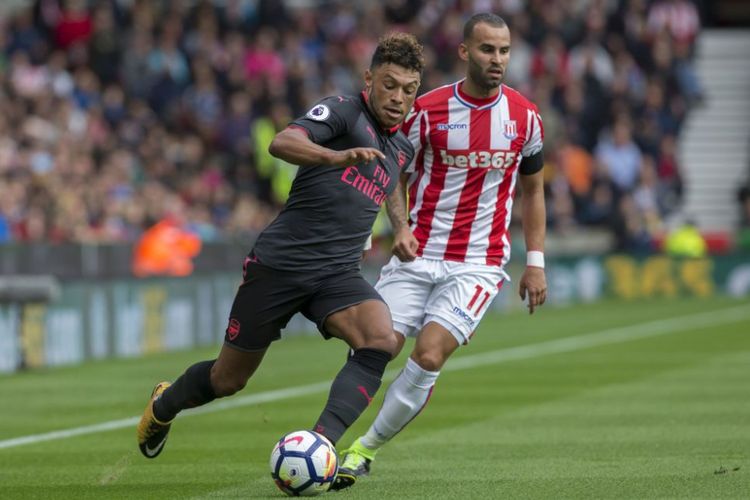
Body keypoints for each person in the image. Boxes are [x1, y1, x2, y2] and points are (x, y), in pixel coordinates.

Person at [136, 32, 424, 459]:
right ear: (369, 78)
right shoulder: (344, 112)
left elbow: (390, 184)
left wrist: (400, 228)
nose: (398, 97)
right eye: (389, 84)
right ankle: (164, 404)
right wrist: (332, 157)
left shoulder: (399, 146)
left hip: (336, 275)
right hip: (282, 264)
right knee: (228, 380)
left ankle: (320, 445)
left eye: (409, 89)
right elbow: (281, 142)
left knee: (381, 340)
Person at [332, 13, 547, 490]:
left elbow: (533, 192)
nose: (498, 59)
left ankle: (362, 451)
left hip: (479, 263)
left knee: (428, 356)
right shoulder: (425, 110)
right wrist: (393, 227)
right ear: (465, 52)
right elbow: (390, 172)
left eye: (505, 51)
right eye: (488, 49)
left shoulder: (525, 118)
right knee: (375, 345)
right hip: (417, 255)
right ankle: (324, 437)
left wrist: (535, 263)